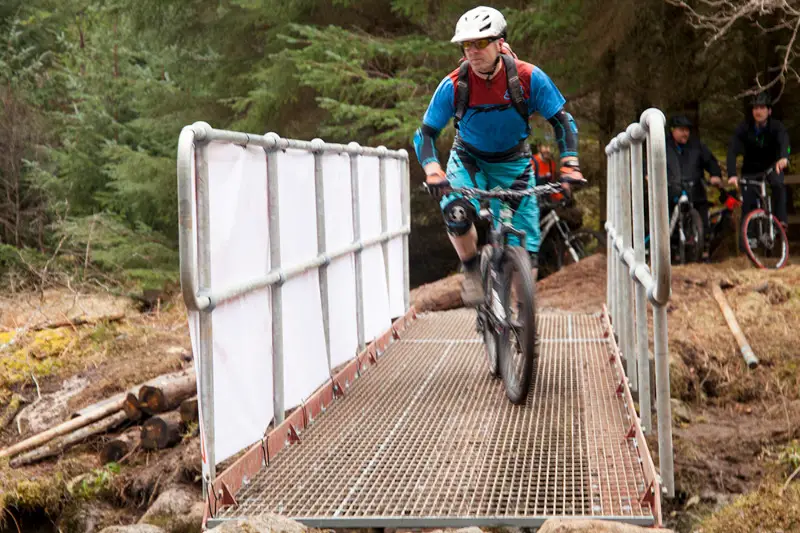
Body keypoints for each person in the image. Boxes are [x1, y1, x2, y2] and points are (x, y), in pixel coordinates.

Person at [413, 6, 584, 304]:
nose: (473, 51)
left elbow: (562, 122)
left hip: (515, 164)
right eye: (467, 45)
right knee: (457, 212)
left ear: (500, 43)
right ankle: (470, 271)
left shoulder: (528, 78)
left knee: (526, 253)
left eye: (481, 43)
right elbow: (426, 134)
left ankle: (521, 323)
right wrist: (433, 170)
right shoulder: (455, 85)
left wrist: (570, 163)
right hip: (469, 161)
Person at [726, 92, 791, 228]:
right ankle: (747, 241)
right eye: (755, 108)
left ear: (769, 111)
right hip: (751, 169)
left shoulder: (776, 126)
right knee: (748, 203)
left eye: (762, 108)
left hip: (771, 166)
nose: (758, 111)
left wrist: (784, 157)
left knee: (778, 184)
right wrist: (732, 174)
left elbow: (785, 142)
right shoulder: (744, 128)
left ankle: (781, 221)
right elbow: (732, 150)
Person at [665, 115, 722, 240]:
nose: (685, 133)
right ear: (673, 130)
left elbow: (711, 161)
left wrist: (715, 175)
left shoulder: (697, 146)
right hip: (671, 191)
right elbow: (650, 164)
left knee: (702, 220)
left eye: (687, 130)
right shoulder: (663, 147)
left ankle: (701, 245)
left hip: (695, 190)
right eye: (681, 130)